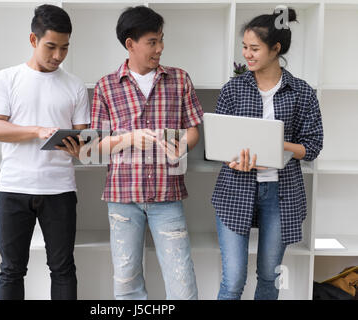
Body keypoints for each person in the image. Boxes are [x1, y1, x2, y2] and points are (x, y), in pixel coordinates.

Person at [90, 5, 203, 300]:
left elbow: (193, 130)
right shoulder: (106, 87)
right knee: (126, 283)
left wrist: (184, 144)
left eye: (161, 40)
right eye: (152, 42)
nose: (160, 48)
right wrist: (129, 138)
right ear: (131, 44)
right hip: (122, 199)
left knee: (183, 284)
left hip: (168, 195)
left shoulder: (179, 79)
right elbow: (94, 148)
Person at [211, 7, 323, 300]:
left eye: (255, 48)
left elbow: (312, 146)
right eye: (244, 47)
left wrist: (278, 145)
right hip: (235, 190)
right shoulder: (233, 89)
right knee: (233, 281)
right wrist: (232, 158)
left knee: (269, 277)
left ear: (276, 49)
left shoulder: (302, 92)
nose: (247, 54)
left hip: (281, 194)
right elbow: (219, 144)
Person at [0, 4, 90, 300]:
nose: (58, 56)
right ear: (34, 40)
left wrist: (80, 147)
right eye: (51, 47)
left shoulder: (75, 86)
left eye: (65, 48)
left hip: (60, 190)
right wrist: (36, 131)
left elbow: (83, 144)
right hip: (14, 189)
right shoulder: (7, 78)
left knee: (63, 268)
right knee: (12, 270)